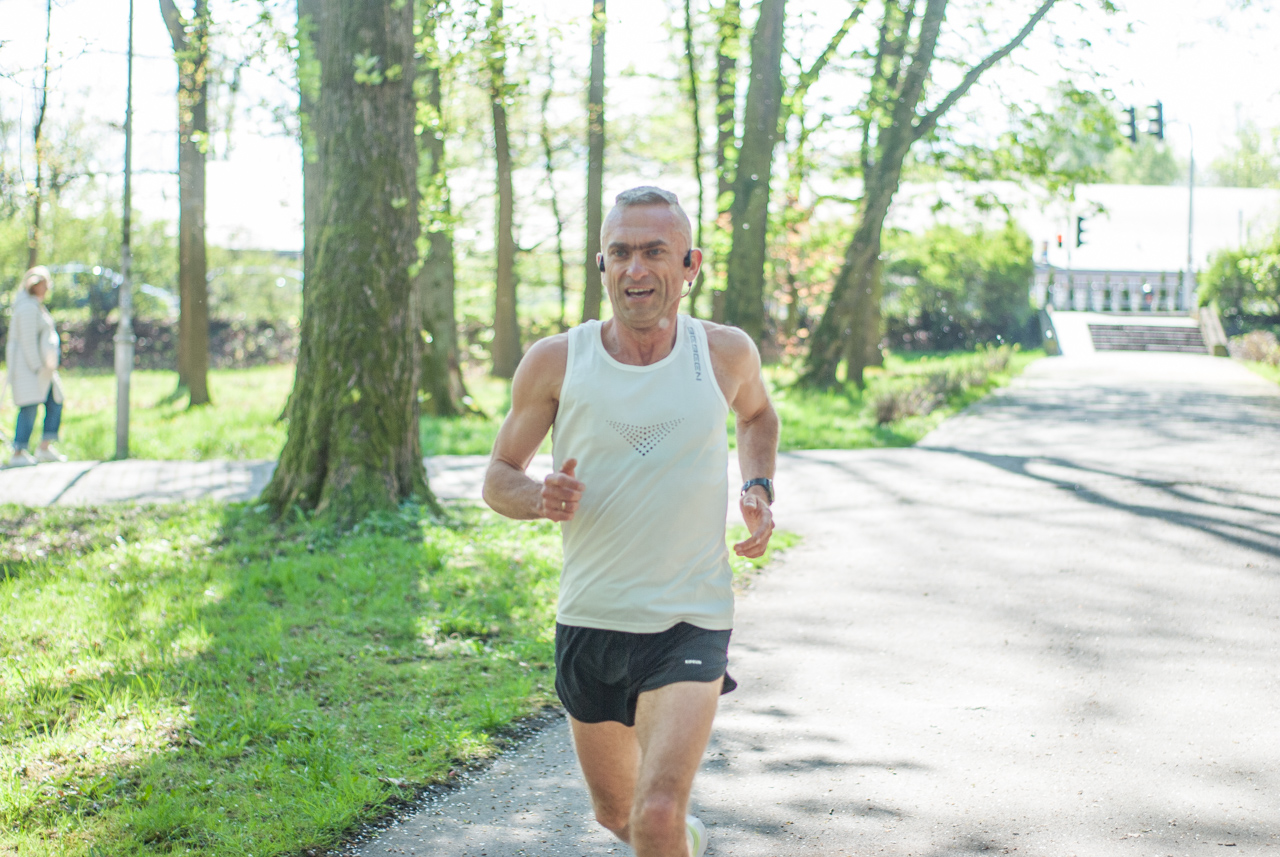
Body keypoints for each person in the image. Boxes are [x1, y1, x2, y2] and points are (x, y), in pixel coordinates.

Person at [482, 186, 779, 857]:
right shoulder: (557, 361)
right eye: (620, 253)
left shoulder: (724, 353)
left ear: (690, 264)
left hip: (690, 618)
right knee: (619, 815)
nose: (635, 269)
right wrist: (537, 497)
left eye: (654, 252)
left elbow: (758, 414)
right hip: (591, 619)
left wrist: (757, 485)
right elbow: (498, 476)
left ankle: (670, 832)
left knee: (657, 812)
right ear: (602, 264)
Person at [4, 266, 67, 467]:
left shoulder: (35, 305)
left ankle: (44, 447)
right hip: (30, 370)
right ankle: (19, 451)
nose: (47, 289)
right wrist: (38, 367)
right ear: (35, 285)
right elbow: (27, 341)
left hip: (42, 370)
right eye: (45, 285)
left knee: (55, 400)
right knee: (29, 406)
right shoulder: (27, 308)